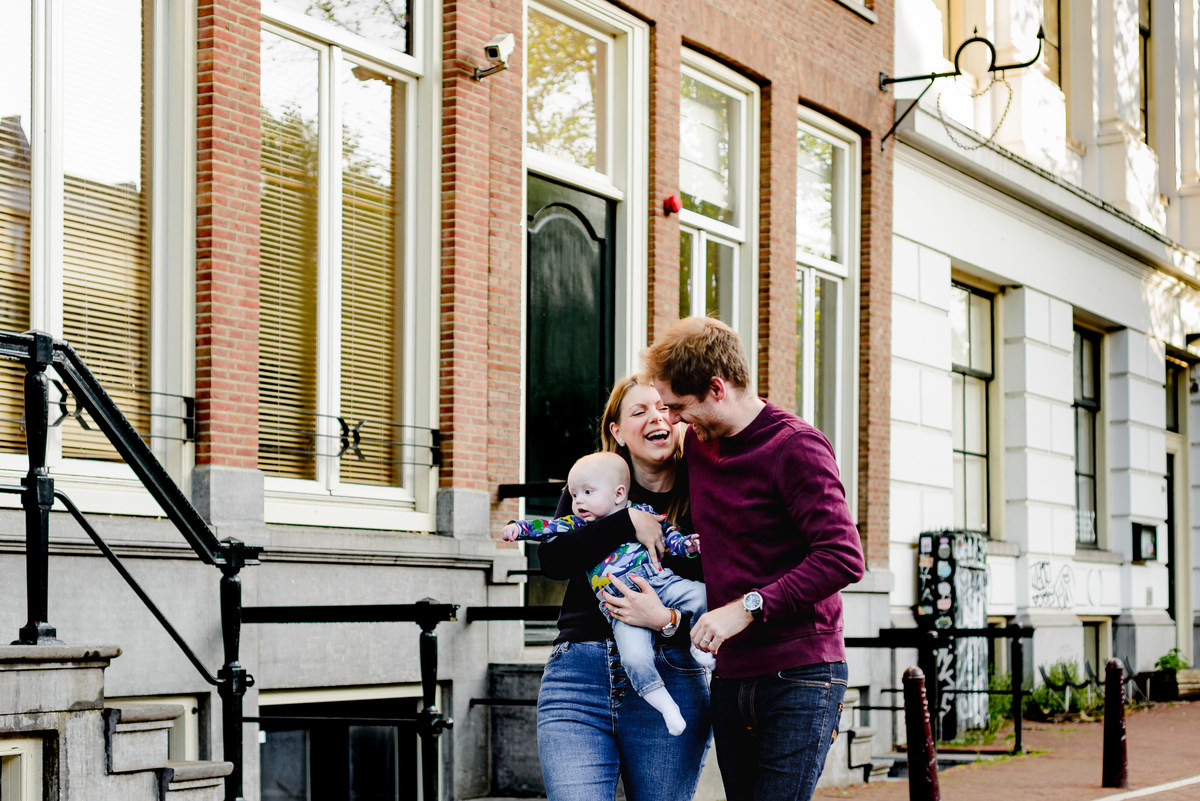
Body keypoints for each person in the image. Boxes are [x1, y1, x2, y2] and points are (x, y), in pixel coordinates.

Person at [643, 316, 865, 801]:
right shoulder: (700, 449)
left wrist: (747, 607)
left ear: (717, 388)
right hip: (730, 675)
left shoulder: (795, 446)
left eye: (679, 407)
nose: (674, 421)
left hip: (801, 675)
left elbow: (843, 557)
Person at [531, 375, 712, 801]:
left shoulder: (703, 492)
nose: (657, 418)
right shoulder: (591, 484)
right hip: (579, 680)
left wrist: (666, 622)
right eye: (640, 411)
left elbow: (717, 590)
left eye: (664, 408)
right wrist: (626, 521)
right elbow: (554, 560)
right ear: (616, 431)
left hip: (673, 674)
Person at [503, 451, 712, 735]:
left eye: (587, 493)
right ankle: (665, 705)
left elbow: (669, 537)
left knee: (700, 595)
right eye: (575, 495)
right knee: (635, 657)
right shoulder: (577, 524)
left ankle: (701, 650)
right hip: (618, 604)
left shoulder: (647, 511)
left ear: (618, 493)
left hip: (660, 580)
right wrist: (518, 528)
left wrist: (687, 546)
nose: (579, 501)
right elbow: (547, 529)